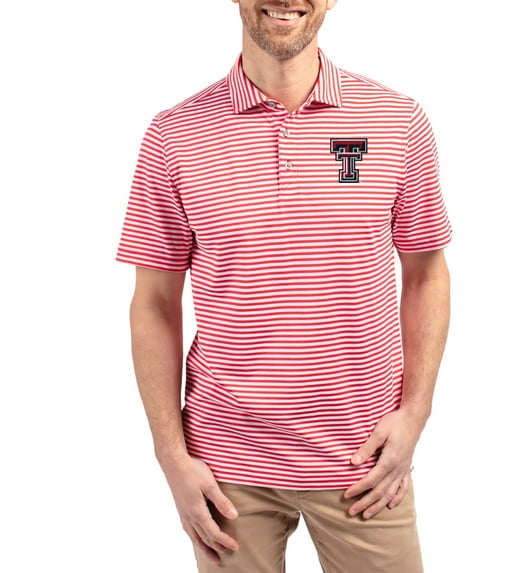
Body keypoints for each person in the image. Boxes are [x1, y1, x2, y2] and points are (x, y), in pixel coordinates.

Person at [117, 1, 451, 571]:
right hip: (223, 468)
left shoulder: (396, 119)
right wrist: (170, 455)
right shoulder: (174, 133)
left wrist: (414, 415)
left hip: (364, 461)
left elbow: (426, 274)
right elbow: (154, 301)